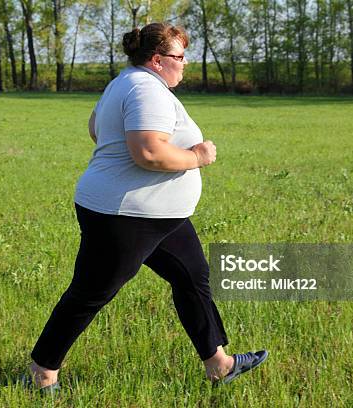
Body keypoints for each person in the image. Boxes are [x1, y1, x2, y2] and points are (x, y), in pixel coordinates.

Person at [27, 22, 267, 392]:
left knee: (192, 277)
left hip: (160, 216)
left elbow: (96, 128)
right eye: (180, 56)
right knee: (92, 292)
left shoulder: (126, 82)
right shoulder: (144, 90)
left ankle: (220, 363)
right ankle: (43, 373)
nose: (185, 63)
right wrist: (197, 156)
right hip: (125, 215)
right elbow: (149, 152)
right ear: (158, 60)